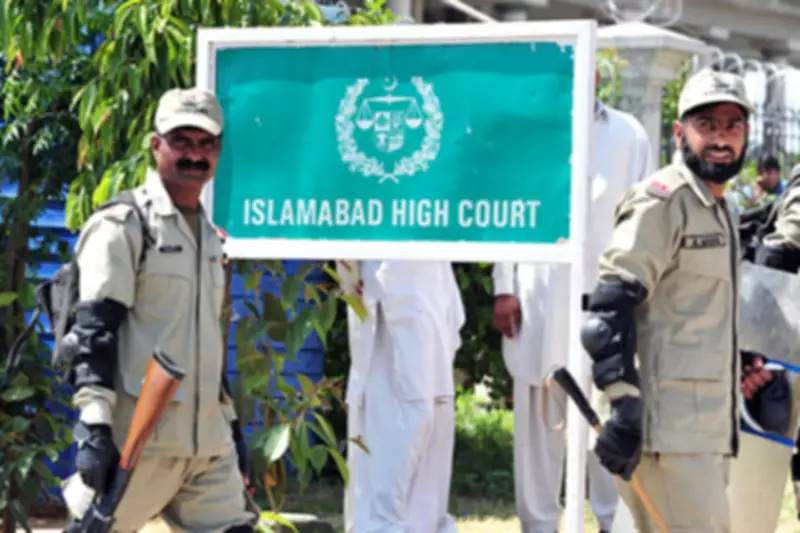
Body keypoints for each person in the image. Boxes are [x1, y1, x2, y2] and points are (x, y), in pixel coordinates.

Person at [582, 68, 773, 533]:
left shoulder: (720, 208)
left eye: (732, 125)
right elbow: (609, 307)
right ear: (679, 132)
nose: (721, 138)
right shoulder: (662, 202)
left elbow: (694, 312)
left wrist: (737, 361)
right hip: (664, 431)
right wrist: (621, 400)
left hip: (704, 428)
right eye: (707, 124)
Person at [62, 88, 257, 532]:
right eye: (181, 141)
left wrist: (229, 425)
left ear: (219, 151)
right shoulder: (124, 225)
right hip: (141, 444)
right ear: (156, 145)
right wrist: (94, 427)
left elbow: (205, 342)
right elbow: (92, 334)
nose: (195, 154)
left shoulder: (211, 239)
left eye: (205, 143)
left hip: (208, 448)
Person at [492, 70, 653, 533]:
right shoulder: (527, 130)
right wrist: (503, 284)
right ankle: (538, 525)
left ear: (597, 73)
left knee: (608, 414)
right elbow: (507, 209)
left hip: (606, 300)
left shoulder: (628, 134)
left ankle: (611, 523)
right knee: (538, 417)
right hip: (538, 296)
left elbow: (646, 219)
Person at [340, 260, 465, 533]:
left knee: (432, 418)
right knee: (395, 429)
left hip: (430, 293)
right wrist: (349, 278)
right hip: (385, 296)